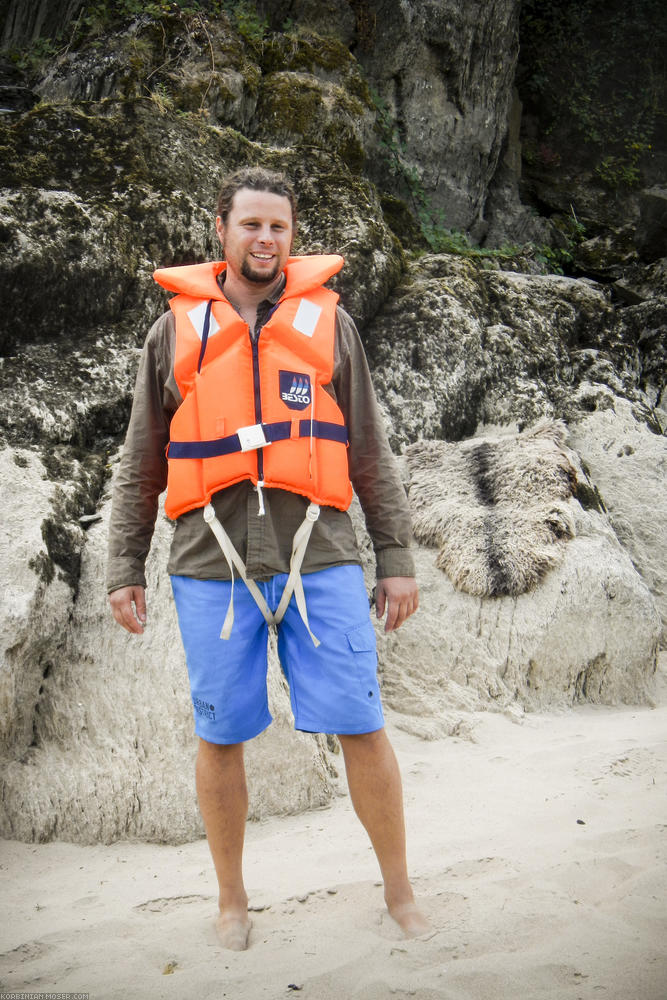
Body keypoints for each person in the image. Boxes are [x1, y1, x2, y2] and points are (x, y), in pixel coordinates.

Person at [107, 166, 430, 950]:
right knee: (221, 735)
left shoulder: (330, 323)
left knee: (360, 723)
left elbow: (369, 448)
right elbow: (141, 459)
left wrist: (395, 555)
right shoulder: (172, 332)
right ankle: (231, 903)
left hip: (320, 551)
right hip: (206, 561)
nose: (264, 239)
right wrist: (123, 566)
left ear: (292, 235)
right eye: (250, 225)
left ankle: (399, 892)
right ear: (220, 228)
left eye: (278, 227)